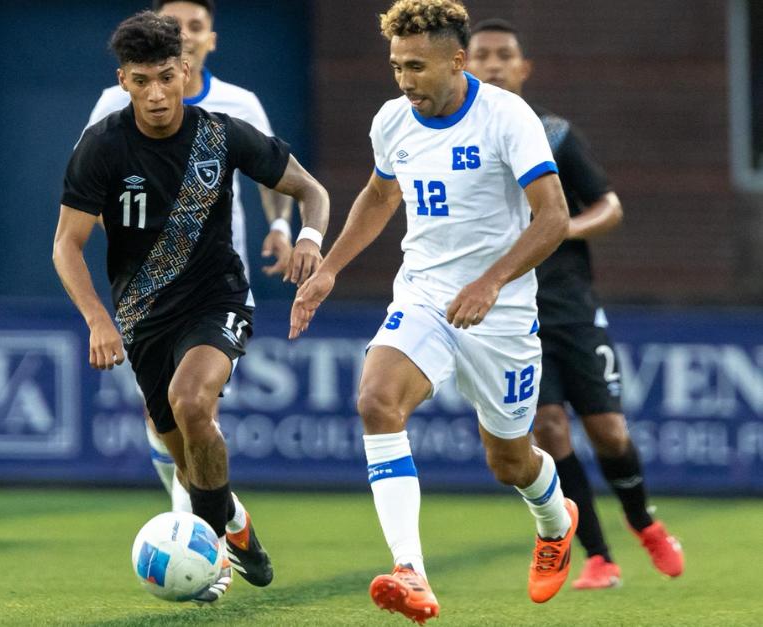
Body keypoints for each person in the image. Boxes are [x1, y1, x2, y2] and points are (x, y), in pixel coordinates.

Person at [291, 0, 576, 621]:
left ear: (456, 59)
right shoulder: (393, 120)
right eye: (396, 66)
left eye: (416, 67)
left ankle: (555, 521)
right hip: (422, 294)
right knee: (376, 401)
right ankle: (410, 572)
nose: (404, 80)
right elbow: (378, 194)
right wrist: (331, 268)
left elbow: (554, 217)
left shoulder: (507, 118)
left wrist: (491, 281)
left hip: (498, 314)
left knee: (510, 461)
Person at [54, 11, 329, 603]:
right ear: (122, 81)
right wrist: (99, 319)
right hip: (139, 316)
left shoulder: (222, 133)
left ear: (185, 70)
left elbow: (311, 190)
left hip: (217, 298)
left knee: (192, 400)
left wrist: (306, 237)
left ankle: (210, 553)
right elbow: (65, 245)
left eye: (165, 78)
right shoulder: (101, 147)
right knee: (186, 458)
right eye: (141, 81)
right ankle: (235, 526)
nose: (156, 94)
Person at [466, 18, 684, 590]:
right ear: (463, 64)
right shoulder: (456, 140)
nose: (492, 64)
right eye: (481, 54)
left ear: (522, 68)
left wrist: (560, 230)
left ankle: (645, 523)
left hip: (570, 306)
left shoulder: (554, 134)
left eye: (503, 55)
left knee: (609, 430)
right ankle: (599, 556)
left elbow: (609, 206)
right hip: (514, 312)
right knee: (550, 429)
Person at [86, 0, 295, 514]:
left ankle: (200, 533)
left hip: (216, 282)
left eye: (195, 27)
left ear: (207, 42)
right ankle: (224, 517)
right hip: (146, 288)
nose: (186, 34)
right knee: (167, 418)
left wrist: (281, 227)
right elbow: (87, 190)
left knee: (193, 402)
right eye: (176, 26)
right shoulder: (111, 109)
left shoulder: (236, 107)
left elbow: (277, 176)